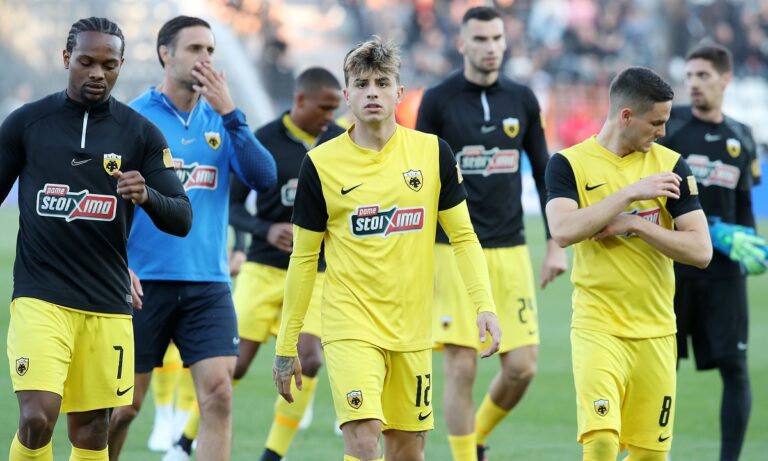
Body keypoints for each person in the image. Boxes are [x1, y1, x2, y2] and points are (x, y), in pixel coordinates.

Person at [272, 36, 502, 461]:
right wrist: (287, 345)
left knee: (407, 451)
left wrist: (484, 306)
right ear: (347, 96)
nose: (372, 92)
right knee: (364, 439)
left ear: (399, 92)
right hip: (349, 324)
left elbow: (464, 237)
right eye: (361, 84)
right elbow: (303, 259)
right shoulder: (320, 164)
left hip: (412, 329)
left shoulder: (433, 153)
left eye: (381, 83)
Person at [0, 17, 192, 461]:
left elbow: (182, 218)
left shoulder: (140, 133)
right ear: (67, 57)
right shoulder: (28, 123)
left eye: (109, 65)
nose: (97, 74)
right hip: (40, 297)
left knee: (91, 432)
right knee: (36, 418)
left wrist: (148, 196)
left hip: (107, 303)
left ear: (121, 65)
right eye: (86, 62)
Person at [106, 15, 277, 461]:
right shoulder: (132, 117)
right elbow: (105, 204)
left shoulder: (223, 120)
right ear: (165, 53)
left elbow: (264, 178)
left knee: (219, 395)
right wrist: (116, 267)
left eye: (211, 51)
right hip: (142, 283)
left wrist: (232, 115)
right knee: (123, 408)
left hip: (208, 283)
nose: (206, 59)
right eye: (195, 49)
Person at [165, 66, 345, 461]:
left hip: (315, 272)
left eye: (335, 109)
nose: (330, 117)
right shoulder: (264, 140)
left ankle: (272, 455)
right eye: (324, 107)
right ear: (300, 100)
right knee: (235, 366)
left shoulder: (341, 142)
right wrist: (266, 230)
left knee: (310, 359)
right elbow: (232, 205)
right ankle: (184, 441)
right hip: (263, 269)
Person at [415, 6, 567, 460]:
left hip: (511, 248)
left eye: (497, 38)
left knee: (522, 367)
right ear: (462, 43)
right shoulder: (438, 100)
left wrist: (555, 244)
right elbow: (419, 177)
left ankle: (476, 437)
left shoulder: (522, 99)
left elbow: (544, 173)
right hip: (453, 251)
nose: (491, 47)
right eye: (480, 39)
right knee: (461, 367)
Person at [545, 67, 712, 461]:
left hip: (656, 331)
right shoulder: (568, 164)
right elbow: (563, 230)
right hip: (598, 327)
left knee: (650, 454)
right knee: (602, 441)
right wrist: (630, 194)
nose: (663, 132)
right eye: (656, 122)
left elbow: (701, 250)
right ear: (626, 116)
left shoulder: (671, 166)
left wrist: (637, 224)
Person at [658, 42, 764, 461]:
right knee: (661, 364)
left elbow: (745, 206)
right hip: (674, 266)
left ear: (725, 79)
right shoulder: (670, 127)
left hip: (724, 275)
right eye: (689, 76)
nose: (694, 84)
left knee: (735, 368)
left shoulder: (742, 136)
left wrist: (749, 244)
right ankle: (648, 449)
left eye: (703, 75)